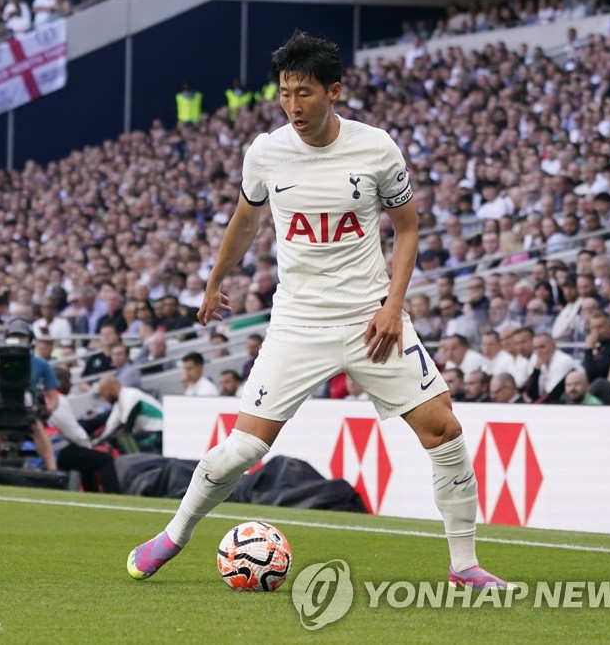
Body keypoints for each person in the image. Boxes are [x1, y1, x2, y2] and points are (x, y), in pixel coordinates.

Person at [127, 32, 510, 590]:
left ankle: (464, 565)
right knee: (245, 449)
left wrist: (393, 307)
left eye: (304, 93)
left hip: (371, 321)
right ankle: (174, 535)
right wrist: (213, 282)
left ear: (334, 91)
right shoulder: (265, 151)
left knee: (444, 428)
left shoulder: (376, 148)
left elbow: (407, 229)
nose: (293, 106)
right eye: (285, 93)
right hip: (297, 324)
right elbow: (246, 221)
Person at [0, 319, 58, 472]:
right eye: (14, 335)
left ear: (30, 338)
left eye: (22, 336)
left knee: (37, 427)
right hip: (1, 404)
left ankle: (52, 470)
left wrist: (49, 407)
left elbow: (54, 395)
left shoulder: (41, 365)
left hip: (26, 405)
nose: (18, 340)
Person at [48, 367, 120, 493]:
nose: (70, 384)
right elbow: (74, 433)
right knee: (104, 460)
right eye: (67, 379)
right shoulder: (58, 400)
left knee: (86, 460)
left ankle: (90, 493)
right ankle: (114, 496)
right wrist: (87, 445)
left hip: (48, 448)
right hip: (54, 451)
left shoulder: (45, 397)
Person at [92, 376, 163, 453]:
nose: (104, 398)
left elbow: (128, 427)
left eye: (103, 394)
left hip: (160, 431)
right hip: (149, 431)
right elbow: (110, 426)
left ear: (111, 389)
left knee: (128, 446)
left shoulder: (130, 395)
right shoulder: (119, 402)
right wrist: (95, 443)